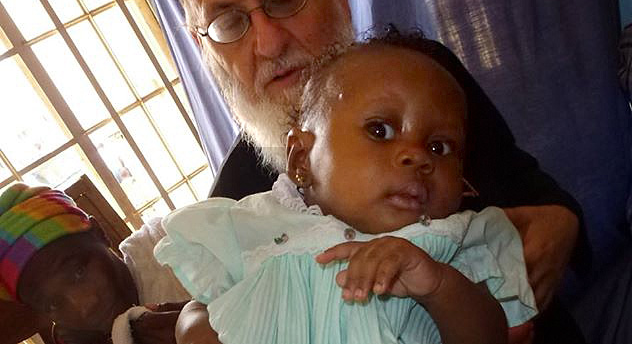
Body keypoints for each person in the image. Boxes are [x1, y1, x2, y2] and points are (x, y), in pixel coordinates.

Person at [155, 35, 538, 344]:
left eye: (439, 147)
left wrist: (437, 285)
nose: (418, 157)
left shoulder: (450, 242)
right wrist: (194, 328)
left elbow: (495, 335)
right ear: (302, 160)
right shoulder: (256, 224)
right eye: (380, 130)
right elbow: (200, 304)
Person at [0, 183, 190, 344]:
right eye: (54, 304)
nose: (84, 306)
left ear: (100, 232)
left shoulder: (182, 243)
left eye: (79, 272)